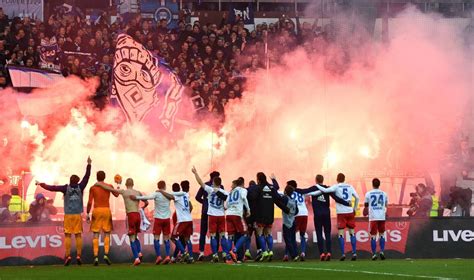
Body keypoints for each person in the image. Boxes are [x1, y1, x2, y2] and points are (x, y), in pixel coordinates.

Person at [36, 157, 91, 265]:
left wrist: (40, 184)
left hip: (68, 215)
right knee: (78, 235)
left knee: (67, 235)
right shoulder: (81, 186)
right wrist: (89, 164)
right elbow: (87, 176)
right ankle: (79, 255)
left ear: (70, 180)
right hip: (77, 215)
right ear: (77, 181)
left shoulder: (65, 188)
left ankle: (68, 255)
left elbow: (52, 188)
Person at [294, 174, 351, 261]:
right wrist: (347, 203)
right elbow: (336, 198)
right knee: (327, 234)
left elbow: (303, 191)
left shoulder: (314, 188)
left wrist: (292, 188)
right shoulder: (327, 189)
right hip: (326, 214)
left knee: (319, 234)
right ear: (322, 180)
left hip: (317, 215)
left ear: (316, 180)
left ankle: (321, 254)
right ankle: (329, 252)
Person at [95, 177, 148, 266]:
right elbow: (146, 202)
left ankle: (136, 258)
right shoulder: (138, 192)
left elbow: (110, 189)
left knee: (131, 238)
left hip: (130, 215)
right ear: (133, 184)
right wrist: (143, 207)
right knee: (135, 236)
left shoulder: (124, 191)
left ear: (126, 185)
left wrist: (100, 184)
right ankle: (139, 253)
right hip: (137, 215)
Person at [314, 173, 359, 261]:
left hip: (341, 213)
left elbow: (326, 191)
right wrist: (354, 209)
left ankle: (343, 254)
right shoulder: (350, 186)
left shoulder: (336, 186)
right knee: (352, 233)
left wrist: (317, 186)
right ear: (344, 179)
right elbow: (357, 197)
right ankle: (354, 253)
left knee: (341, 234)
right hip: (350, 211)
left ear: (337, 179)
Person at [191, 166, 230, 263]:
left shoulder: (209, 188)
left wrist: (195, 173)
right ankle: (225, 253)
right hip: (221, 215)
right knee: (221, 235)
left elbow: (199, 186)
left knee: (209, 234)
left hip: (210, 214)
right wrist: (225, 207)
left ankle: (211, 254)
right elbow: (227, 200)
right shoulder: (223, 189)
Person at [249, 172, 289, 261]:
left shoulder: (257, 188)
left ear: (258, 179)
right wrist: (286, 208)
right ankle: (270, 251)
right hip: (270, 215)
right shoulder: (271, 188)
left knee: (260, 234)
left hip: (260, 215)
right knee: (269, 234)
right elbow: (278, 198)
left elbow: (252, 197)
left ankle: (264, 252)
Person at [132, 180, 173, 265]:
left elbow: (146, 198)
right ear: (165, 186)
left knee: (156, 238)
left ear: (158, 187)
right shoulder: (168, 194)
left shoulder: (156, 194)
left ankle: (158, 256)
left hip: (158, 219)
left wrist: (136, 197)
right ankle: (168, 256)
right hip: (167, 219)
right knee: (166, 238)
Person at [86, 170, 119, 266]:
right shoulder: (109, 186)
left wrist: (88, 212)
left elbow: (89, 202)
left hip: (97, 210)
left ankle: (96, 256)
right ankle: (106, 254)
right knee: (107, 233)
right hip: (106, 210)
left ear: (97, 177)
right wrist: (117, 186)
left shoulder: (93, 187)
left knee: (96, 234)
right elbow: (117, 194)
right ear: (104, 177)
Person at [162, 181, 195, 263]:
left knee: (173, 237)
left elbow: (169, 196)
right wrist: (187, 213)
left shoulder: (177, 195)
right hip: (189, 219)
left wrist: (161, 191)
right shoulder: (186, 195)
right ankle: (191, 257)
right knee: (187, 239)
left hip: (182, 220)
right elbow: (191, 207)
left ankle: (184, 253)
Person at [195, 170, 220, 261]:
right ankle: (215, 253)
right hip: (215, 213)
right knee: (216, 234)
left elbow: (197, 197)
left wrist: (204, 202)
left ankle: (201, 252)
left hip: (205, 211)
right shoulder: (220, 186)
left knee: (203, 232)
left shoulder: (205, 185)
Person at [226, 177, 250, 263]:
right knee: (245, 234)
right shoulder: (243, 190)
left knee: (230, 236)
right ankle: (234, 251)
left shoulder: (231, 192)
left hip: (228, 214)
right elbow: (244, 198)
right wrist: (248, 210)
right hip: (237, 215)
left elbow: (226, 205)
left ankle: (228, 258)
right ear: (242, 184)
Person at [363, 178, 388, 261]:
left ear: (372, 184)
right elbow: (386, 205)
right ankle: (382, 251)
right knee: (382, 234)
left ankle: (374, 254)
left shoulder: (368, 194)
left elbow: (366, 205)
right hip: (381, 216)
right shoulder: (384, 194)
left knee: (373, 236)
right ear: (379, 184)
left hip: (373, 217)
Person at [278, 181, 299, 261]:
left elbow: (278, 201)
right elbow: (297, 211)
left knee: (287, 239)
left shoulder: (284, 198)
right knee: (293, 239)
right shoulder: (293, 200)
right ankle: (296, 254)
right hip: (293, 221)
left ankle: (293, 255)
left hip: (287, 222)